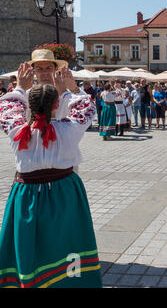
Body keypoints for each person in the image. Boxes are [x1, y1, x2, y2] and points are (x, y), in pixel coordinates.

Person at [0, 63, 102, 288]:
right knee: (68, 241)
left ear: (29, 105)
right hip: (65, 192)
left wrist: (19, 87)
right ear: (57, 105)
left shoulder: (17, 129)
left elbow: (7, 105)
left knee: (30, 242)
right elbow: (87, 107)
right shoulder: (69, 129)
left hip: (27, 195)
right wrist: (70, 89)